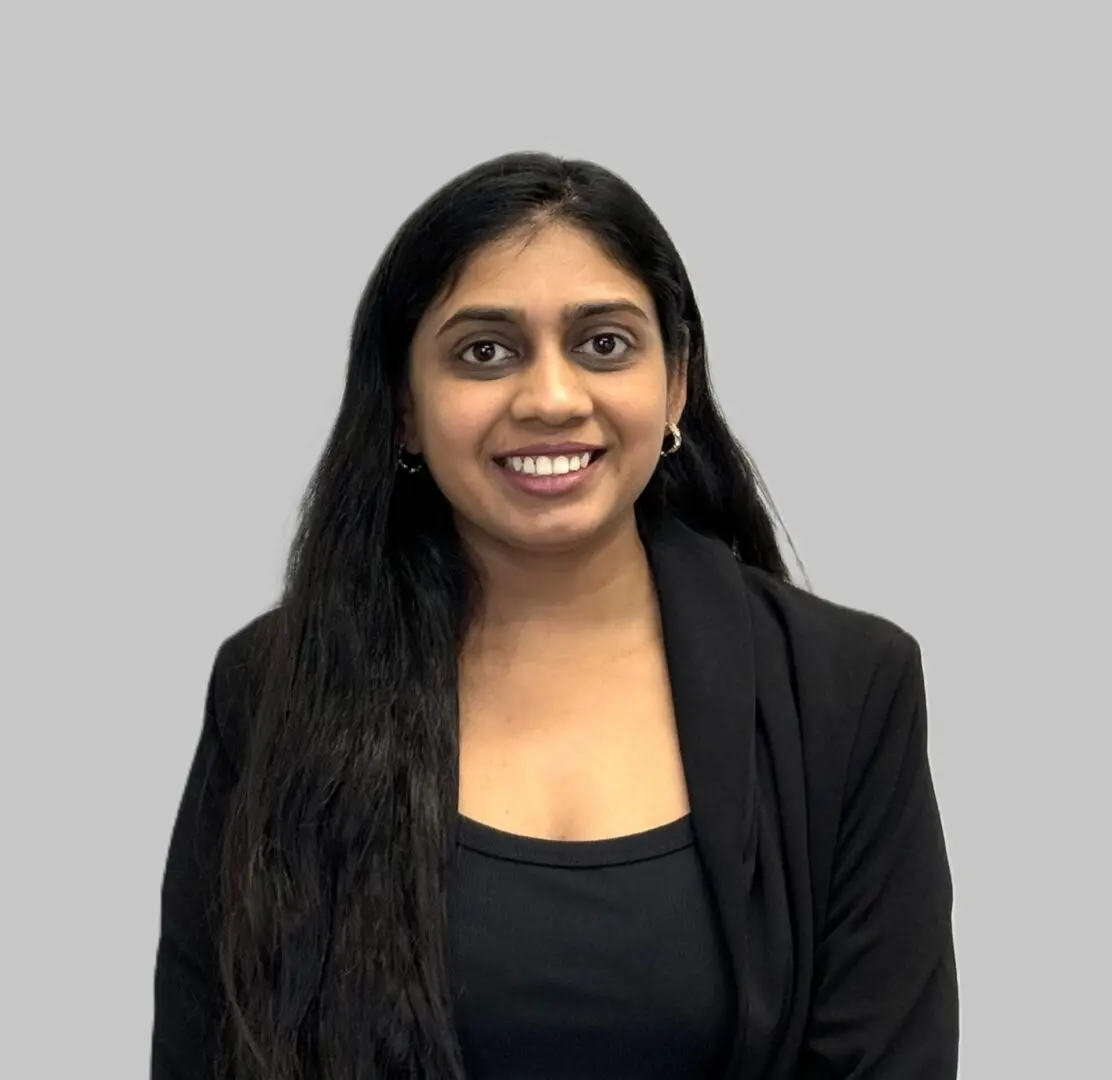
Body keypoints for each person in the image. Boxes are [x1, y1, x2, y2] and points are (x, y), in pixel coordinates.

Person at [151, 151, 959, 1080]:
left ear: (677, 383)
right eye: (484, 351)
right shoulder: (274, 688)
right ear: (404, 407)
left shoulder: (847, 689)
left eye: (604, 344)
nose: (551, 399)